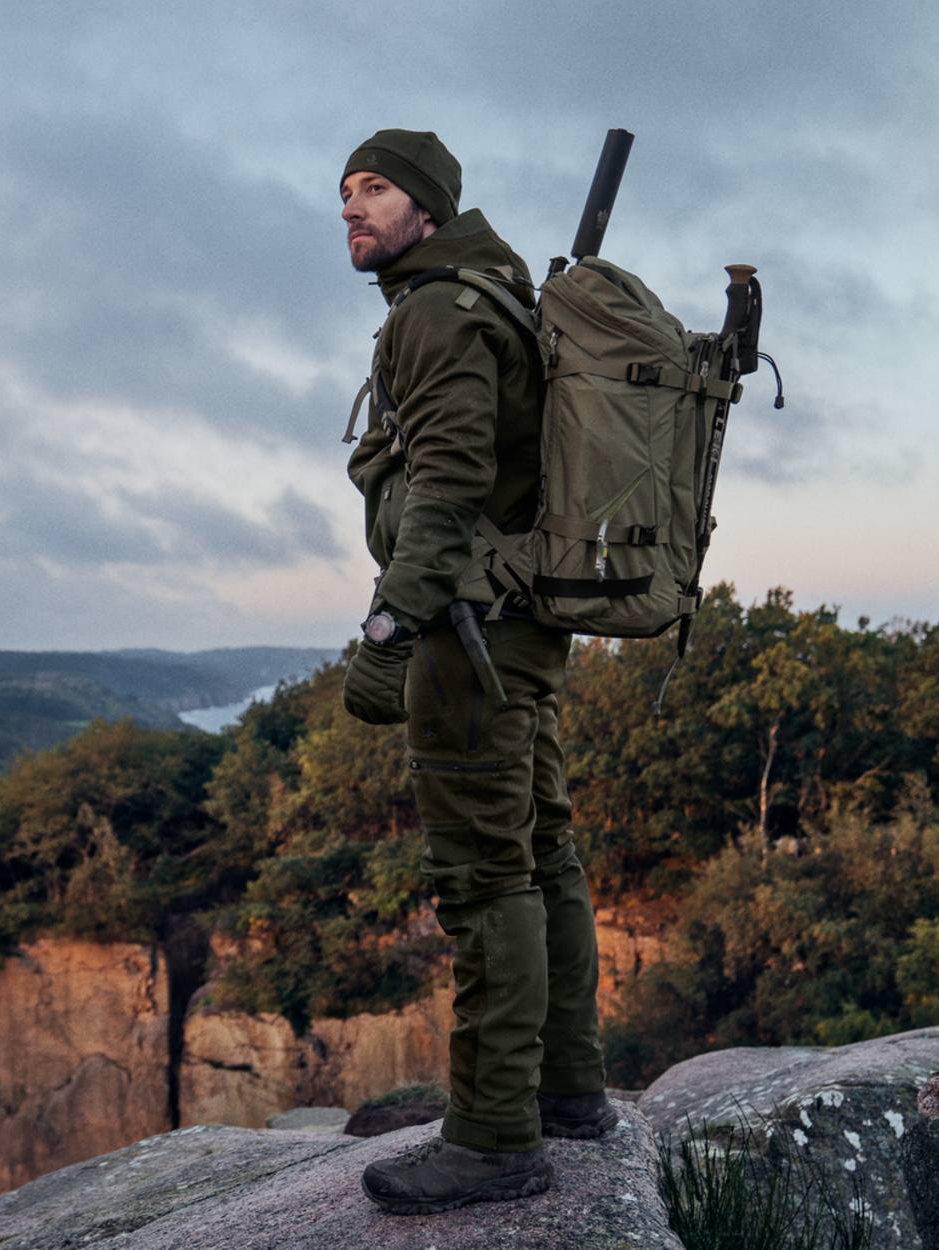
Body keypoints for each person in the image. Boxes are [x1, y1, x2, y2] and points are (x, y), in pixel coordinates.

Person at [339, 129, 616, 1216]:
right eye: (346, 190)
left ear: (429, 207)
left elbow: (448, 482)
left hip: (469, 635)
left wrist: (387, 630)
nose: (352, 207)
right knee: (543, 849)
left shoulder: (439, 312)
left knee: (485, 875)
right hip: (520, 620)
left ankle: (495, 1138)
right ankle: (569, 1090)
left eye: (375, 188)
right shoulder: (494, 294)